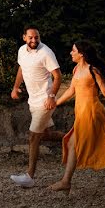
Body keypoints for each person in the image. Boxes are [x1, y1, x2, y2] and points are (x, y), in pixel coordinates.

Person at [49, 41, 105, 194]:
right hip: (82, 113)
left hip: (93, 113)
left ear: (81, 53)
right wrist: (56, 103)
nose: (71, 53)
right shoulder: (76, 69)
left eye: (73, 50)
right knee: (83, 145)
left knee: (76, 144)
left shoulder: (92, 70)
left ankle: (66, 181)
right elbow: (71, 91)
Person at [9, 26, 62, 188]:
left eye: (36, 37)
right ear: (24, 37)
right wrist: (15, 87)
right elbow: (21, 68)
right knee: (46, 134)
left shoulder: (46, 52)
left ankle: (29, 176)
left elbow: (58, 76)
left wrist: (52, 96)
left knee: (33, 136)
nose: (34, 40)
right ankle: (76, 138)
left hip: (45, 102)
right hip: (33, 101)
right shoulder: (21, 51)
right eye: (31, 37)